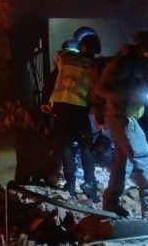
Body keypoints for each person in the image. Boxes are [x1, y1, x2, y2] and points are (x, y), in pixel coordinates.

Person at [95, 31, 148, 220]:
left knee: (122, 163)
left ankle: (110, 203)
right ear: (144, 48)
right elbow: (100, 88)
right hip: (120, 116)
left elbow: (147, 85)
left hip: (128, 116)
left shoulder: (143, 63)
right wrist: (128, 94)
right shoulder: (121, 63)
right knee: (142, 157)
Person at [47, 34, 102, 201]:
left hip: (59, 105)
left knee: (66, 146)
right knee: (86, 146)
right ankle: (90, 183)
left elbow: (58, 59)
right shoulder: (93, 64)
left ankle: (70, 183)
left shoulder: (65, 57)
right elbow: (94, 88)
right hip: (79, 107)